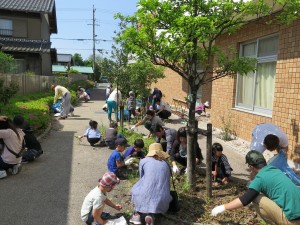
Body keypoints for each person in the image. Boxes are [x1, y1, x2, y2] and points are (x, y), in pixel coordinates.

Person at [211, 151, 300, 224]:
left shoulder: (260, 178)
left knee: (256, 198)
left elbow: (245, 200)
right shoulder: (274, 170)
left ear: (251, 167)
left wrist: (223, 207)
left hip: (292, 221)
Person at [130, 143, 172, 225]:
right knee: (155, 196)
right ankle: (151, 215)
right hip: (163, 197)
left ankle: (137, 215)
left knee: (137, 189)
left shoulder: (143, 161)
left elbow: (141, 177)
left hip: (144, 193)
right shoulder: (166, 164)